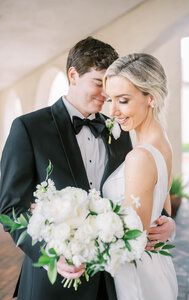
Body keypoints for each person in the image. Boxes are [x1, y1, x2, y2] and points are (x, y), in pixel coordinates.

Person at [0, 38, 175, 300]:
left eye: (110, 87)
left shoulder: (119, 128)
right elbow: (11, 208)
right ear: (73, 75)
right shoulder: (28, 128)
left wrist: (165, 220)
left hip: (110, 283)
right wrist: (51, 254)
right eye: (98, 83)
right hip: (53, 283)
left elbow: (136, 190)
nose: (106, 96)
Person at [103, 53, 178, 299]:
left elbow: (131, 241)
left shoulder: (139, 157)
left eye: (122, 100)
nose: (112, 111)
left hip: (137, 279)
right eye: (110, 100)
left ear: (151, 97)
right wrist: (170, 225)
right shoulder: (162, 142)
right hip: (157, 268)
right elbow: (163, 213)